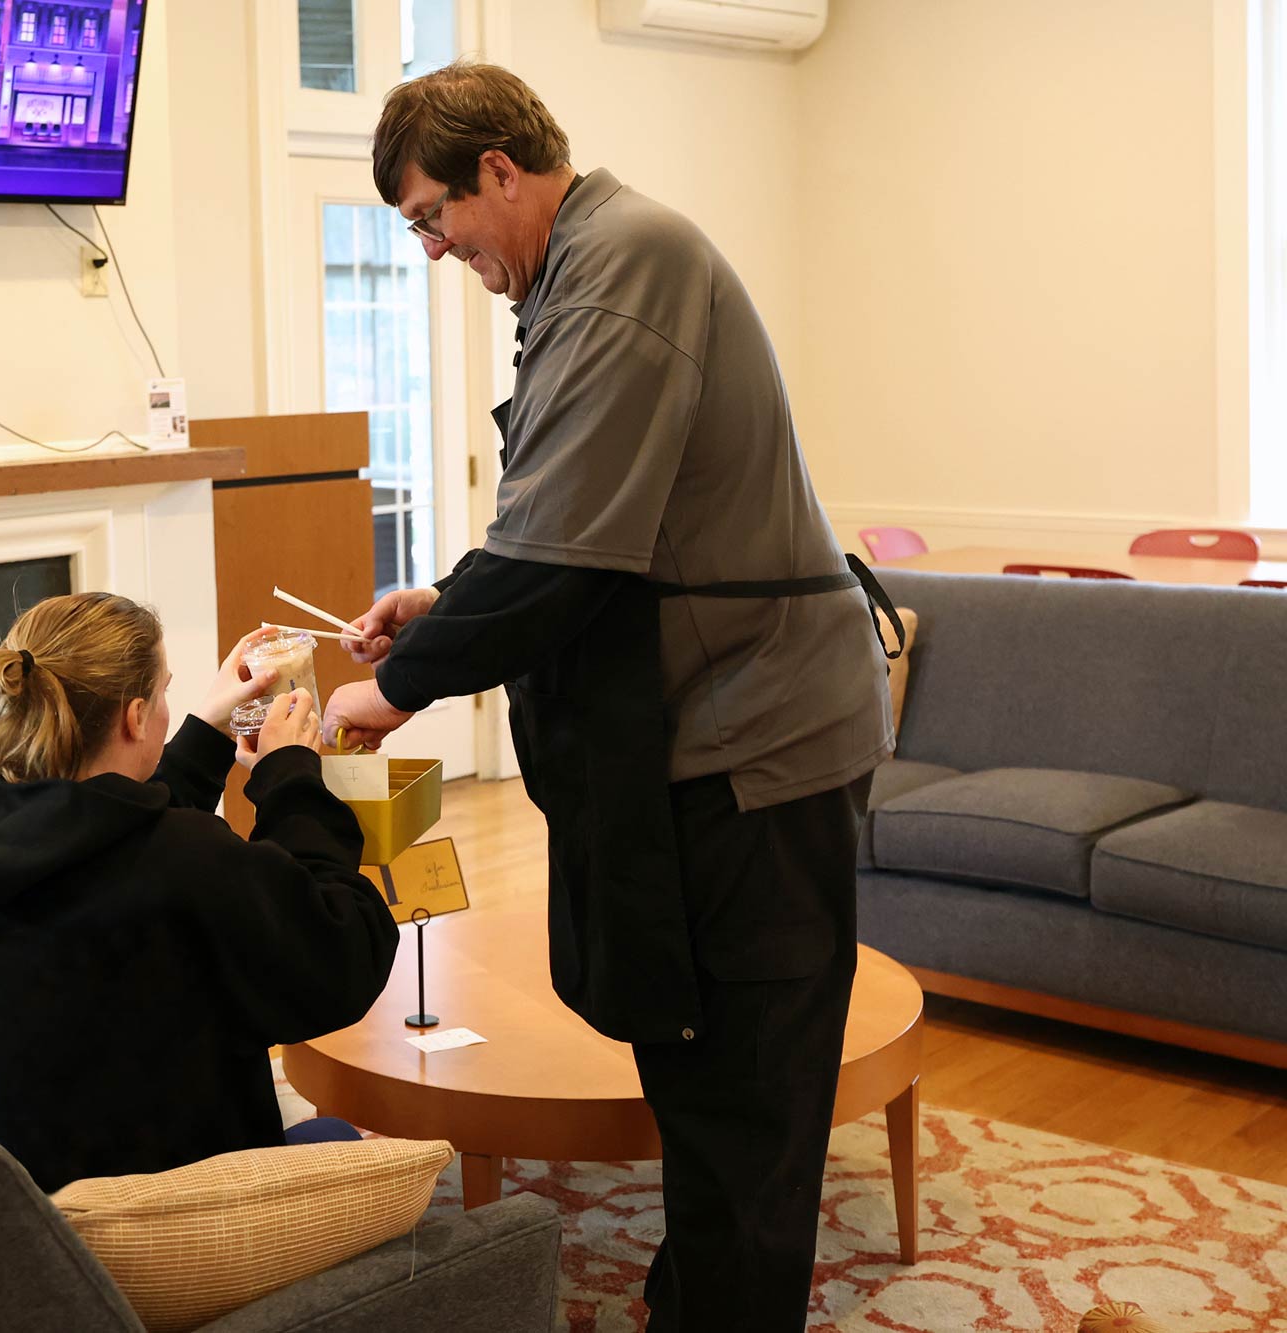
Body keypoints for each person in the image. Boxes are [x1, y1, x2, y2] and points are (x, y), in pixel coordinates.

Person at [319, 62, 899, 1332]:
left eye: (430, 218)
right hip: (707, 733)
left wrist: (396, 691)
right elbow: (558, 521)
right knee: (700, 1076)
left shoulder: (625, 261)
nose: (429, 251)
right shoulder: (586, 267)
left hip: (760, 741)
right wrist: (440, 605)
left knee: (746, 1103)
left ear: (500, 172)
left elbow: (562, 555)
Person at [0, 594, 398, 1193]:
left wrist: (208, 726)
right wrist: (292, 778)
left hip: (38, 1197)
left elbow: (112, 829)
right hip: (189, 1205)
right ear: (136, 716)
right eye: (167, 693)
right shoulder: (188, 857)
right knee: (339, 1139)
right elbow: (342, 955)